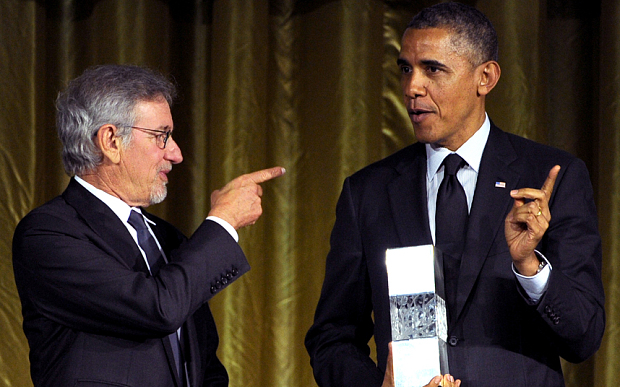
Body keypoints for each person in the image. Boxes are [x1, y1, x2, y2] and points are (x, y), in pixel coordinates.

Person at [305, 2, 605, 386]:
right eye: (405, 69)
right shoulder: (367, 192)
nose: (412, 87)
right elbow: (332, 337)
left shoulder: (550, 178)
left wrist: (530, 266)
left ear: (485, 78)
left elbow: (585, 336)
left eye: (432, 69)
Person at [12, 64, 285, 387]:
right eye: (161, 136)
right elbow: (157, 309)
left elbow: (205, 363)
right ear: (111, 140)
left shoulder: (167, 238)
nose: (177, 153)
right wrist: (223, 221)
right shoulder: (49, 234)